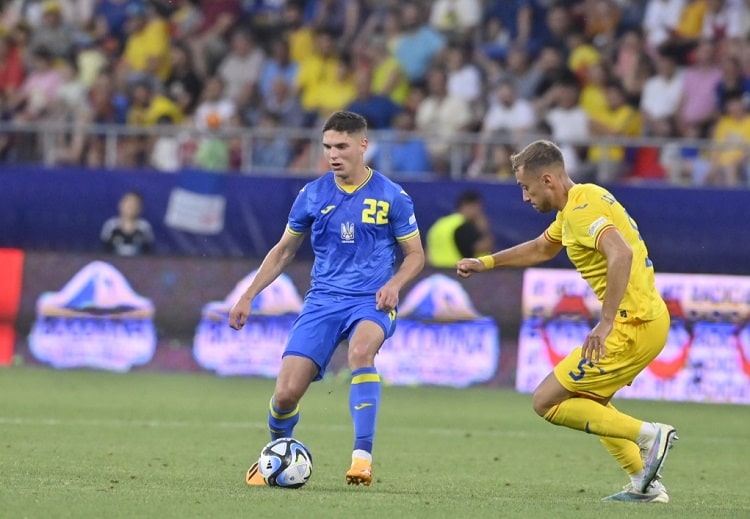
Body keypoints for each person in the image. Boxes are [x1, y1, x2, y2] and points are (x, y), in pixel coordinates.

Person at [455, 140, 678, 503]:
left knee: (546, 401)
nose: (525, 197)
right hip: (648, 319)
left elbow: (620, 253)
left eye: (526, 188)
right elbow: (542, 248)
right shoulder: (579, 204)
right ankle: (645, 484)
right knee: (591, 402)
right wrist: (486, 262)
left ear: (547, 180)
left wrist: (606, 322)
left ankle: (650, 436)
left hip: (631, 324)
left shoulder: (581, 210)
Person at [229, 111, 424, 487]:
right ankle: (276, 455)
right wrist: (248, 295)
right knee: (285, 395)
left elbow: (415, 255)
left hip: (371, 300)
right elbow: (284, 251)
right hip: (323, 301)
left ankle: (362, 459)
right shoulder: (312, 195)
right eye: (327, 147)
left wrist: (396, 283)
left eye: (341, 146)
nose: (333, 154)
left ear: (363, 145)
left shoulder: (392, 196)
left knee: (361, 353)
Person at [426, 190, 494, 268]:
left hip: (435, 271)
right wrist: (485, 230)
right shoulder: (465, 225)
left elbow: (427, 253)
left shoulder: (439, 224)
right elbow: (482, 247)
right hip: (456, 271)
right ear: (472, 205)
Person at [100, 190, 154, 256]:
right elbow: (104, 251)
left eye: (134, 204)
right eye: (128, 203)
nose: (130, 206)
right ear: (120, 204)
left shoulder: (144, 227)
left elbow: (149, 252)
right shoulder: (111, 226)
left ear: (140, 208)